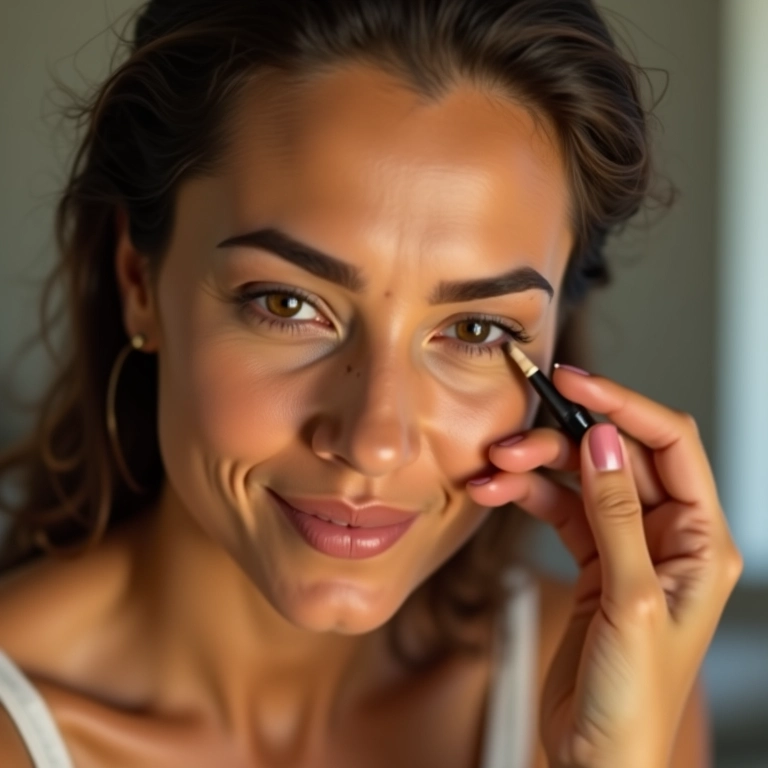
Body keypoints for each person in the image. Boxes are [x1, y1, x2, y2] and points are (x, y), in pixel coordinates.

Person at [0, 1, 742, 766]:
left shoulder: (618, 691)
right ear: (139, 282)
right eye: (287, 305)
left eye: (476, 331)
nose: (374, 442)